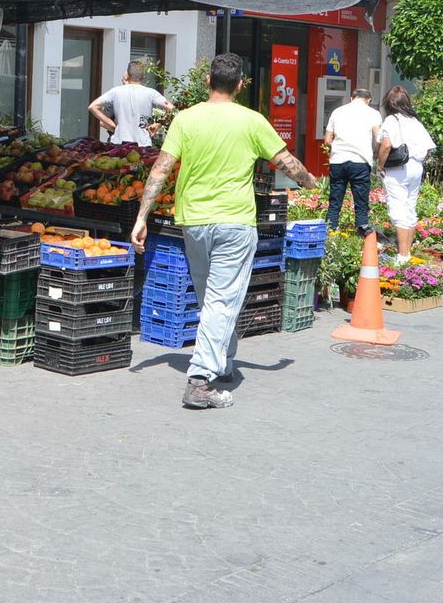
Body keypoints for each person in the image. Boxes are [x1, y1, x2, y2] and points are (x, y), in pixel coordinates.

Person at [131, 53, 317, 410]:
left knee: (211, 298)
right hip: (234, 223)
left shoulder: (186, 119)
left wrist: (142, 216)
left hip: (194, 222)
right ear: (241, 85)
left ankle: (225, 360)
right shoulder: (252, 121)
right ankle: (200, 380)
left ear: (207, 83)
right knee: (221, 299)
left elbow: (160, 169)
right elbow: (288, 164)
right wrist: (310, 182)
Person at [376, 86, 434, 258]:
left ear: (389, 103)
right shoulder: (415, 121)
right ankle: (407, 252)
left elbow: (386, 145)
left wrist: (380, 166)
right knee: (410, 210)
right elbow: (429, 149)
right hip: (416, 167)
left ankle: (402, 256)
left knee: (398, 211)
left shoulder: (392, 121)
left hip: (398, 169)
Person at [323, 87, 381, 233]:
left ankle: (331, 228)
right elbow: (378, 138)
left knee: (335, 198)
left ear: (352, 98)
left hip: (338, 160)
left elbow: (327, 140)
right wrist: (375, 153)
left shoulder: (338, 111)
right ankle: (361, 228)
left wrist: (339, 146)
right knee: (361, 198)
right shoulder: (373, 113)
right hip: (360, 161)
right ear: (369, 100)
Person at [89, 60, 175, 146]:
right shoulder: (151, 93)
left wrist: (111, 124)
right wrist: (158, 124)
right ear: (143, 76)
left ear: (127, 75)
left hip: (119, 143)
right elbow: (172, 110)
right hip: (143, 144)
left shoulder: (116, 91)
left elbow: (93, 107)